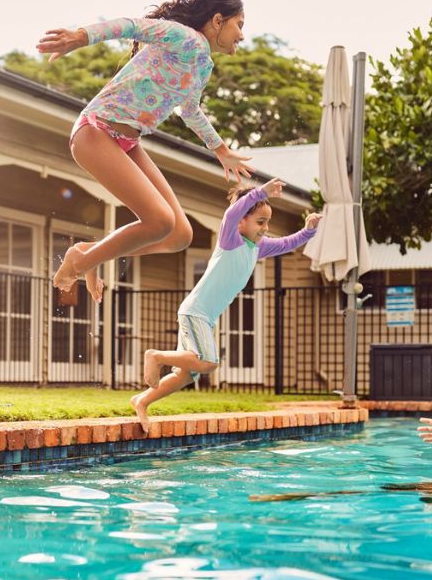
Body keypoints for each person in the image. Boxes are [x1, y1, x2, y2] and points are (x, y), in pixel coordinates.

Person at [36, 0, 256, 302]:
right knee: (160, 221)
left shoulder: (203, 63)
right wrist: (81, 36)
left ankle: (90, 252)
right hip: (96, 131)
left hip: (128, 140)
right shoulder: (182, 36)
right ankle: (79, 262)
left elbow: (189, 110)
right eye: (240, 24)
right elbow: (132, 26)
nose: (242, 34)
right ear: (218, 21)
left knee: (180, 234)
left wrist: (221, 151)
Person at [132, 179, 322, 430]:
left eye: (267, 222)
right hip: (196, 311)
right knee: (209, 362)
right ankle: (156, 356)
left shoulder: (257, 248)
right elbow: (231, 212)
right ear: (242, 221)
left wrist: (308, 231)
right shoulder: (230, 238)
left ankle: (142, 401)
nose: (265, 228)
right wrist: (261, 192)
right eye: (260, 222)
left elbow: (287, 243)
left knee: (186, 375)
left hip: (203, 316)